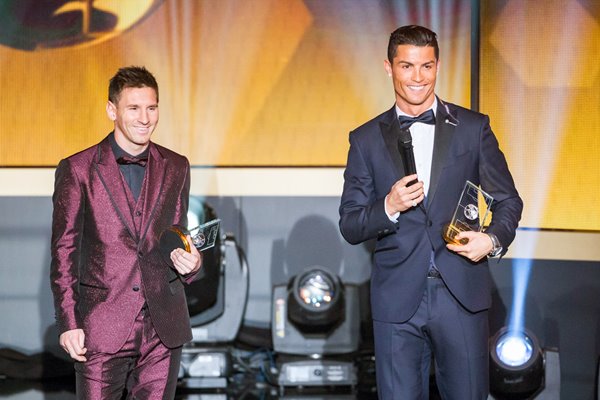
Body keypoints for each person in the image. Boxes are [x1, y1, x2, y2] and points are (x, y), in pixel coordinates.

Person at [339, 25, 523, 399]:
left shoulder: (473, 128)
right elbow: (350, 223)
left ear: (438, 66)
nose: (418, 77)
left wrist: (491, 239)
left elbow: (508, 201)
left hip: (461, 293)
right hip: (397, 300)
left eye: (426, 66)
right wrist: (387, 206)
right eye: (407, 66)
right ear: (389, 68)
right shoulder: (365, 139)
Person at [50, 66, 203, 399]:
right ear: (112, 110)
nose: (144, 118)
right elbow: (64, 250)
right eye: (134, 108)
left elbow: (177, 237)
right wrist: (68, 321)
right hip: (101, 324)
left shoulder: (177, 166)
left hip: (163, 326)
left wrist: (192, 264)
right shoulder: (78, 169)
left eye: (151, 107)